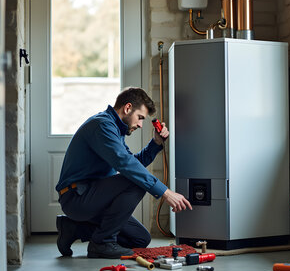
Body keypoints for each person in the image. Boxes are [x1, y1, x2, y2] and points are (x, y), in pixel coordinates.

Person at [55, 87, 192, 258]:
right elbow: (127, 165)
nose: (141, 125)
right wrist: (165, 192)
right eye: (140, 118)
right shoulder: (102, 125)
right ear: (127, 108)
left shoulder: (115, 129)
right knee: (136, 182)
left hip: (95, 198)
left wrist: (155, 143)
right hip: (77, 197)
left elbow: (132, 163)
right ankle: (102, 243)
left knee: (140, 239)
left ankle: (73, 228)